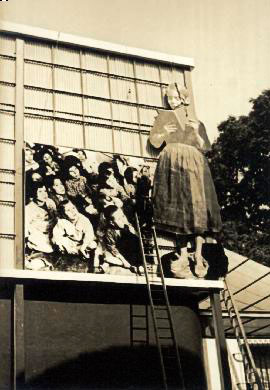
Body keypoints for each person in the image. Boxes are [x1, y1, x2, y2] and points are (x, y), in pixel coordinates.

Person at [149, 82, 222, 278]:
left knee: (197, 209)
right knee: (178, 209)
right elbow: (154, 142)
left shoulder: (196, 121)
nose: (171, 102)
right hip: (172, 164)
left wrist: (197, 132)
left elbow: (206, 147)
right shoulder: (162, 118)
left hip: (194, 165)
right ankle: (182, 254)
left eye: (174, 98)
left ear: (183, 99)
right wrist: (163, 132)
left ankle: (198, 255)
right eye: (168, 98)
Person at [97, 205, 143, 275]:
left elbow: (136, 241)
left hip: (128, 250)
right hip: (118, 252)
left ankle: (138, 264)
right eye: (119, 219)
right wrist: (124, 261)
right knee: (109, 258)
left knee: (135, 242)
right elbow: (114, 250)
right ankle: (127, 265)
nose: (123, 220)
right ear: (112, 222)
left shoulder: (126, 226)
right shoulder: (109, 233)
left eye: (123, 216)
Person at [25, 182, 56, 254]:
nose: (44, 194)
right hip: (40, 233)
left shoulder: (50, 202)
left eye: (45, 191)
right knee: (49, 249)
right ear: (34, 193)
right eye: (40, 191)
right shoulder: (28, 208)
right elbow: (26, 227)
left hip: (53, 230)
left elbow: (56, 217)